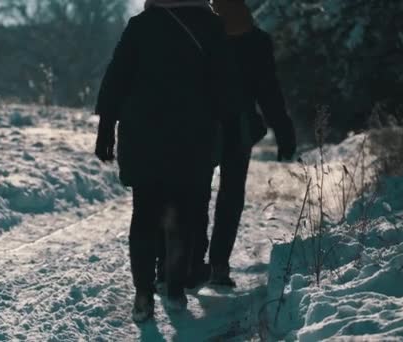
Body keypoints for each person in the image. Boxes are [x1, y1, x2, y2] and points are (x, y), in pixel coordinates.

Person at [94, 0, 232, 323]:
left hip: (144, 138)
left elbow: (115, 80)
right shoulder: (211, 27)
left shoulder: (141, 27)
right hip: (193, 139)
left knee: (144, 213)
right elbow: (226, 87)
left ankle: (143, 294)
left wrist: (105, 131)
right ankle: (172, 287)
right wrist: (231, 135)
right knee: (185, 213)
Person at [202, 0, 297, 286]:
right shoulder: (256, 40)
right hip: (238, 127)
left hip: (201, 126)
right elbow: (268, 90)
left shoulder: (201, 33)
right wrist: (284, 131)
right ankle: (218, 265)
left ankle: (191, 262)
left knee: (195, 194)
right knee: (231, 195)